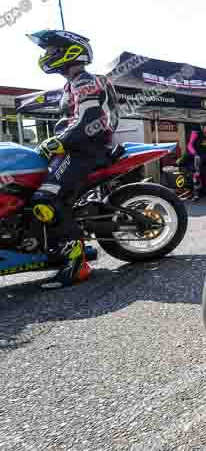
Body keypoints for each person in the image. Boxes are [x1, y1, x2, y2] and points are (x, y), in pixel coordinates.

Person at [27, 29, 120, 289]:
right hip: (75, 149)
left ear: (67, 51)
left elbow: (86, 121)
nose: (46, 56)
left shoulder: (83, 81)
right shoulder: (72, 83)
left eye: (50, 50)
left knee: (45, 199)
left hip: (85, 150)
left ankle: (77, 263)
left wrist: (60, 141)